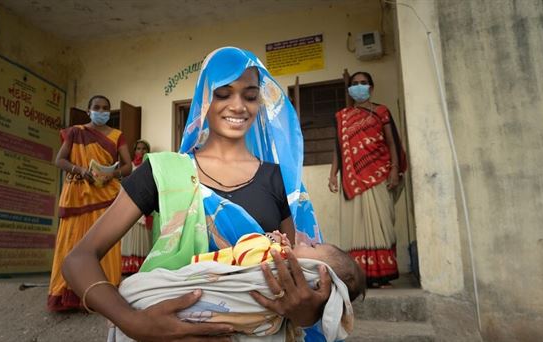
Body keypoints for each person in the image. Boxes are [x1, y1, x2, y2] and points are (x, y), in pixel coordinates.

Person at [62, 47, 333, 341]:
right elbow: (78, 260)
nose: (239, 106)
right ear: (204, 97)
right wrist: (133, 322)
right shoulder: (164, 172)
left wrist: (305, 312)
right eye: (223, 93)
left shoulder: (279, 180)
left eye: (251, 95)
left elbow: (303, 277)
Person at [111, 231, 365, 341]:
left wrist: (267, 242)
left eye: (312, 247)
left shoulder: (278, 263)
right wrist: (131, 321)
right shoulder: (169, 170)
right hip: (168, 306)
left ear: (313, 273)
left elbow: (246, 251)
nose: (306, 241)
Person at [47, 95, 132, 311]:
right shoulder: (75, 132)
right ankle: (65, 293)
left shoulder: (117, 135)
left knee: (105, 244)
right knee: (71, 241)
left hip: (105, 194)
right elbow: (60, 160)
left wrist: (111, 175)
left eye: (105, 108)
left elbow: (128, 166)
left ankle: (104, 293)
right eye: (97, 107)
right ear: (88, 111)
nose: (101, 111)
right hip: (77, 192)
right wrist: (81, 170)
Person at [328, 71, 407, 289]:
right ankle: (362, 275)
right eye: (354, 84)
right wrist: (333, 174)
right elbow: (338, 148)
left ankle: (384, 275)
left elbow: (391, 143)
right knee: (357, 228)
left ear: (371, 88)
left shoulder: (381, 111)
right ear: (349, 89)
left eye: (363, 83)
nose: (359, 87)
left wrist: (394, 169)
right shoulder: (342, 116)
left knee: (382, 225)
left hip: (378, 174)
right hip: (351, 179)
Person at [121, 139, 153, 274]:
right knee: (129, 235)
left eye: (144, 149)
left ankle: (141, 268)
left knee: (143, 238)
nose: (141, 151)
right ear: (134, 151)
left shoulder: (150, 167)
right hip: (129, 207)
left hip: (145, 206)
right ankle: (127, 266)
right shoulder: (130, 167)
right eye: (138, 148)